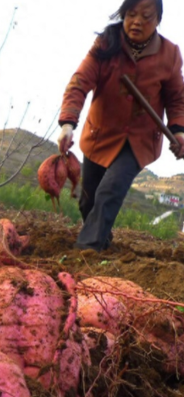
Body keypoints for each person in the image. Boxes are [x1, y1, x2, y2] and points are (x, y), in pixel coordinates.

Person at [57, 0, 184, 252]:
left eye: (146, 17)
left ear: (158, 20)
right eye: (131, 14)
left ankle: (86, 251)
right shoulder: (107, 43)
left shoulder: (169, 54)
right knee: (88, 201)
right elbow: (80, 81)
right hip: (100, 135)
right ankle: (102, 240)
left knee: (110, 190)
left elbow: (177, 98)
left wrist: (179, 129)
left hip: (138, 141)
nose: (137, 21)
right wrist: (68, 123)